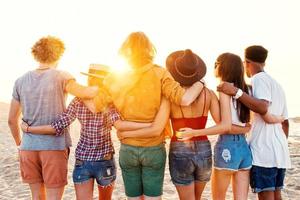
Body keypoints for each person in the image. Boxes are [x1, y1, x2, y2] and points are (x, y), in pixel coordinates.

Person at [20, 64, 170, 200]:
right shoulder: (110, 102)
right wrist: (152, 125)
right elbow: (120, 125)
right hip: (104, 160)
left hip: (82, 161)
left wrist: (29, 129)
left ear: (89, 80)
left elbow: (57, 126)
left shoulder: (78, 101)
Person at [88, 32, 204, 200]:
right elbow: (185, 99)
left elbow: (97, 106)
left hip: (127, 148)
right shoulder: (160, 73)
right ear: (150, 49)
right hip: (153, 148)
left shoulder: (115, 77)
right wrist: (200, 84)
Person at [8, 36, 98, 200]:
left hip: (28, 147)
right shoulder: (61, 76)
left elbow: (11, 120)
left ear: (36, 54)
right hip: (54, 147)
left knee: (36, 197)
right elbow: (85, 93)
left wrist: (20, 143)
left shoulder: (20, 81)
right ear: (59, 54)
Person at [217, 46, 291, 200]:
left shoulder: (258, 79)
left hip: (264, 151)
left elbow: (262, 106)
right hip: (280, 152)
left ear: (247, 62)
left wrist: (236, 92)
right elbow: (285, 123)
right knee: (277, 195)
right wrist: (280, 143)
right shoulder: (277, 85)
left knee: (266, 196)